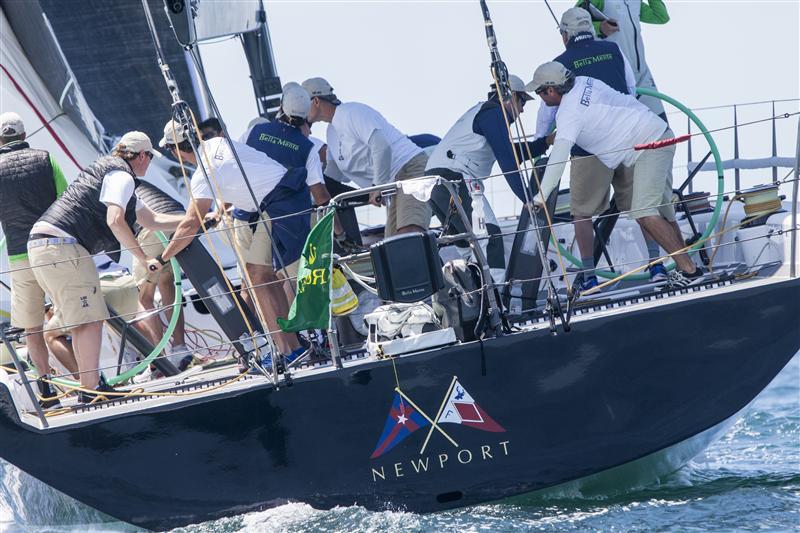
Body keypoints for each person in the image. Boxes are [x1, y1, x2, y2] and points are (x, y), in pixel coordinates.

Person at [28, 132, 184, 402]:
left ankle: (91, 388)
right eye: (149, 158)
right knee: (89, 320)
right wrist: (141, 257)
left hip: (45, 247)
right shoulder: (121, 176)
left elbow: (154, 220)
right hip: (64, 247)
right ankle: (92, 391)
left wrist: (196, 218)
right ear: (143, 156)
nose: (149, 165)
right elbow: (115, 220)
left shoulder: (112, 175)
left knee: (83, 321)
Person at [528, 62, 702, 291]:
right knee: (662, 208)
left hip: (649, 147)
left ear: (551, 90)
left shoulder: (568, 113)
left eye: (539, 92)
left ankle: (689, 271)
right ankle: (687, 268)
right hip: (658, 133)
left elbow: (558, 159)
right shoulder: (585, 81)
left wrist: (540, 198)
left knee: (643, 211)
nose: (540, 97)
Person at [535, 7, 669, 288]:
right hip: (630, 139)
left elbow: (547, 117)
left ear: (564, 35)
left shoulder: (558, 64)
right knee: (643, 205)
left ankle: (588, 275)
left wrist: (540, 143)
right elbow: (631, 90)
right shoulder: (613, 50)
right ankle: (657, 267)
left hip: (588, 150)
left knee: (582, 213)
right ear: (588, 28)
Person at [152, 118, 302, 362]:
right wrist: (221, 211)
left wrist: (162, 258)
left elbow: (190, 224)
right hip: (286, 197)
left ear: (175, 150)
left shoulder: (203, 174)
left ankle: (288, 350)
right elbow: (245, 173)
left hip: (279, 205)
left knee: (256, 274)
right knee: (261, 275)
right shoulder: (219, 144)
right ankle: (292, 347)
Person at [426, 75, 547, 282]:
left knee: (469, 248)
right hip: (453, 179)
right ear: (510, 96)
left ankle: (477, 300)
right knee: (490, 237)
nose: (523, 109)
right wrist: (526, 198)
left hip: (436, 184)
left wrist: (545, 143)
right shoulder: (494, 114)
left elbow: (511, 151)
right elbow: (508, 159)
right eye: (522, 101)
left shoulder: (486, 114)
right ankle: (497, 299)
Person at [302, 77, 431, 236]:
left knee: (409, 233)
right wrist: (313, 193)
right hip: (390, 187)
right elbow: (332, 176)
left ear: (315, 101)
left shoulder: (352, 112)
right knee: (393, 245)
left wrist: (377, 185)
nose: (300, 110)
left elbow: (381, 147)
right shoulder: (331, 133)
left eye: (303, 104)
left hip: (410, 169)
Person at [0, 112, 68, 408]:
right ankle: (90, 380)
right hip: (53, 248)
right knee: (73, 318)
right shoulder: (46, 159)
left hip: (18, 253)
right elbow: (67, 200)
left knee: (32, 327)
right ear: (25, 136)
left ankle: (47, 390)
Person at [131, 181, 194, 370]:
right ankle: (180, 348)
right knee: (167, 282)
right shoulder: (136, 181)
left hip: (153, 228)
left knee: (144, 296)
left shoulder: (107, 190)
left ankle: (159, 362)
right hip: (179, 220)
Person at [578, 0, 670, 119]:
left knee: (663, 129)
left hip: (642, 75)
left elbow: (661, 17)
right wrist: (599, 27)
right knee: (628, 130)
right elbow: (574, 24)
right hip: (616, 77)